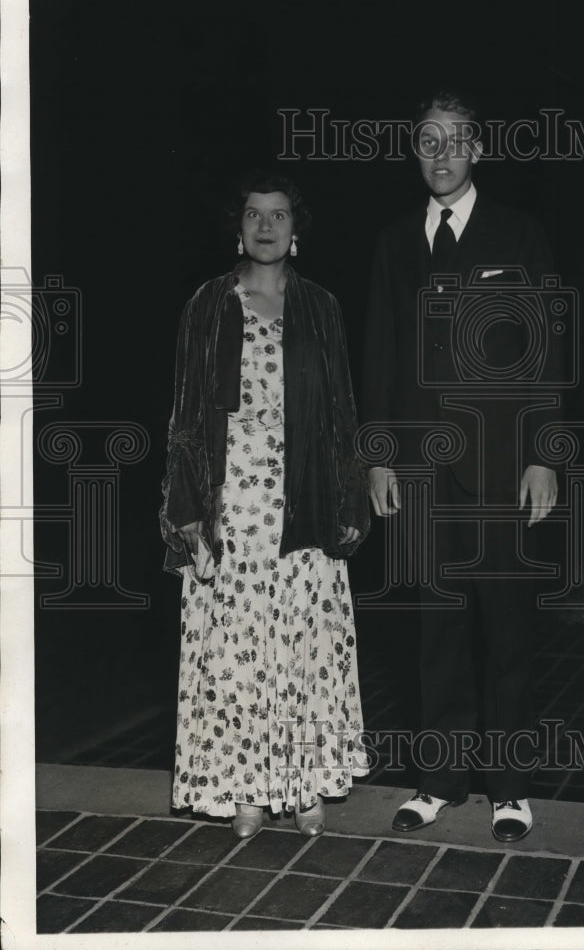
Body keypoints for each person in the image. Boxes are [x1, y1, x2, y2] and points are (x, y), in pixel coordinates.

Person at [361, 89, 563, 842]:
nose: (439, 154)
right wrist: (378, 459)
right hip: (418, 473)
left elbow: (546, 355)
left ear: (477, 150)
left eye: (453, 141)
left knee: (506, 633)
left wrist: (544, 456)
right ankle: (438, 780)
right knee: (435, 632)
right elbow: (378, 355)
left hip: (501, 469)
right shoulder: (392, 242)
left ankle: (509, 787)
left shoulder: (519, 233)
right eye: (426, 141)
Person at [160, 171, 370, 839]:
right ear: (238, 226)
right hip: (234, 507)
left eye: (278, 214)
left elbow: (341, 412)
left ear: (295, 228)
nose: (266, 225)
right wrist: (189, 512)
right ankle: (248, 792)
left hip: (303, 502)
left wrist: (346, 496)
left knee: (300, 646)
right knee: (239, 651)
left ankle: (304, 788)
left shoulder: (322, 307)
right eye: (254, 214)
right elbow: (187, 414)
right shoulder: (208, 303)